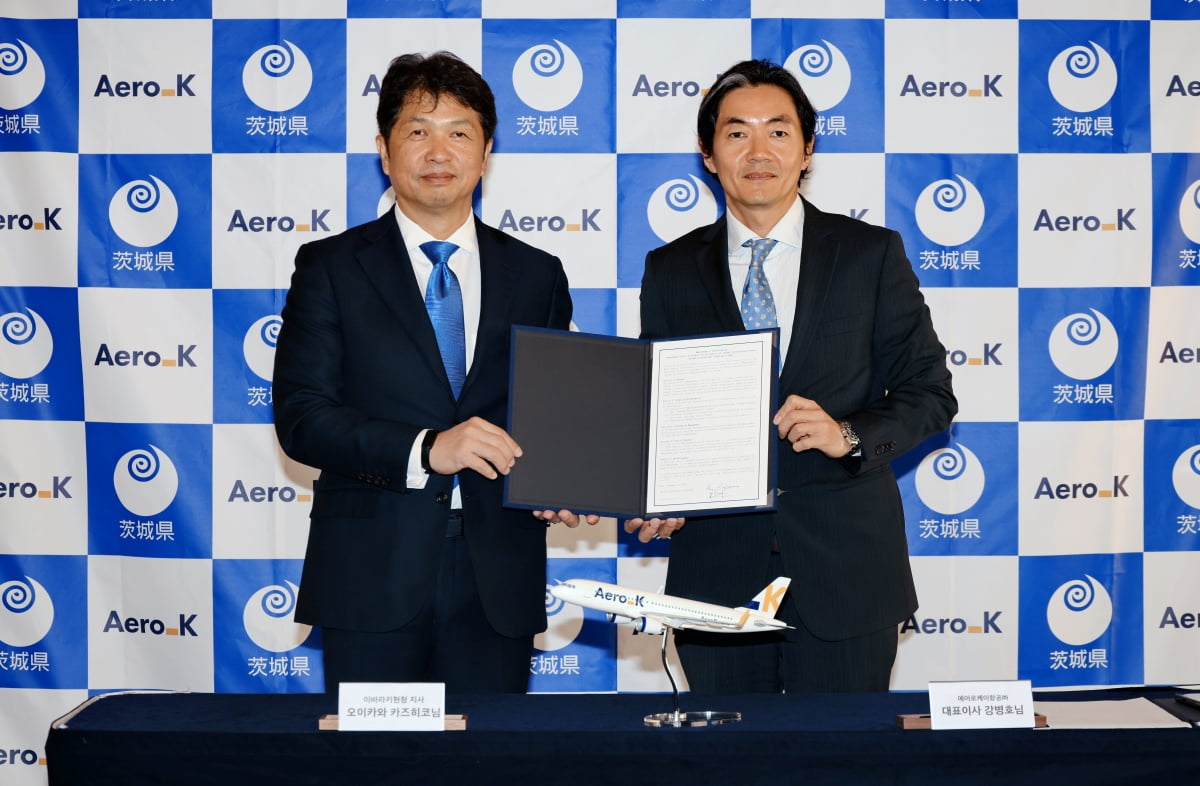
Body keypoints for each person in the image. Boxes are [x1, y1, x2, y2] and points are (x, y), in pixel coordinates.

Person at [627, 59, 957, 693]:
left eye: (778, 131)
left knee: (844, 762)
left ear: (807, 149)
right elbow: (657, 410)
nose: (758, 150)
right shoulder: (668, 269)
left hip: (848, 568)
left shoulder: (869, 254)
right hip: (717, 571)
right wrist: (653, 491)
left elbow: (931, 393)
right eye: (736, 132)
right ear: (707, 152)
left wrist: (850, 434)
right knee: (729, 759)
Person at [273, 51, 595, 696]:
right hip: (370, 575)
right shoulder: (330, 267)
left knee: (488, 763)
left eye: (459, 132)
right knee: (375, 766)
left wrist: (567, 475)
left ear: (485, 152)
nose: (438, 150)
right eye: (418, 130)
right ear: (384, 151)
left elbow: (549, 413)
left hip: (497, 575)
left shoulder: (537, 274)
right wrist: (428, 449)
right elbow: (304, 418)